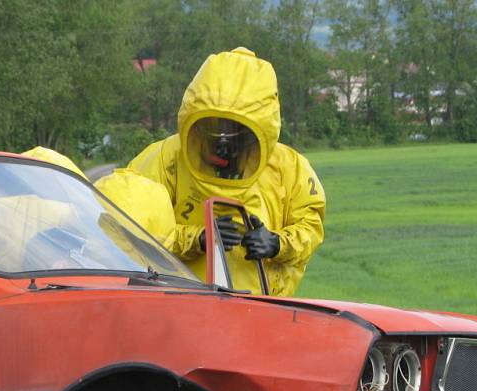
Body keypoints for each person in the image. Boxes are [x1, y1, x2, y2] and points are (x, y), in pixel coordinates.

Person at [112, 47, 326, 296]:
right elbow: (132, 228)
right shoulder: (165, 158)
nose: (223, 137)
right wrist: (200, 239)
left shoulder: (289, 167)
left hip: (264, 311)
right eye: (214, 124)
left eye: (234, 128)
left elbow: (310, 226)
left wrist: (276, 243)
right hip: (181, 303)